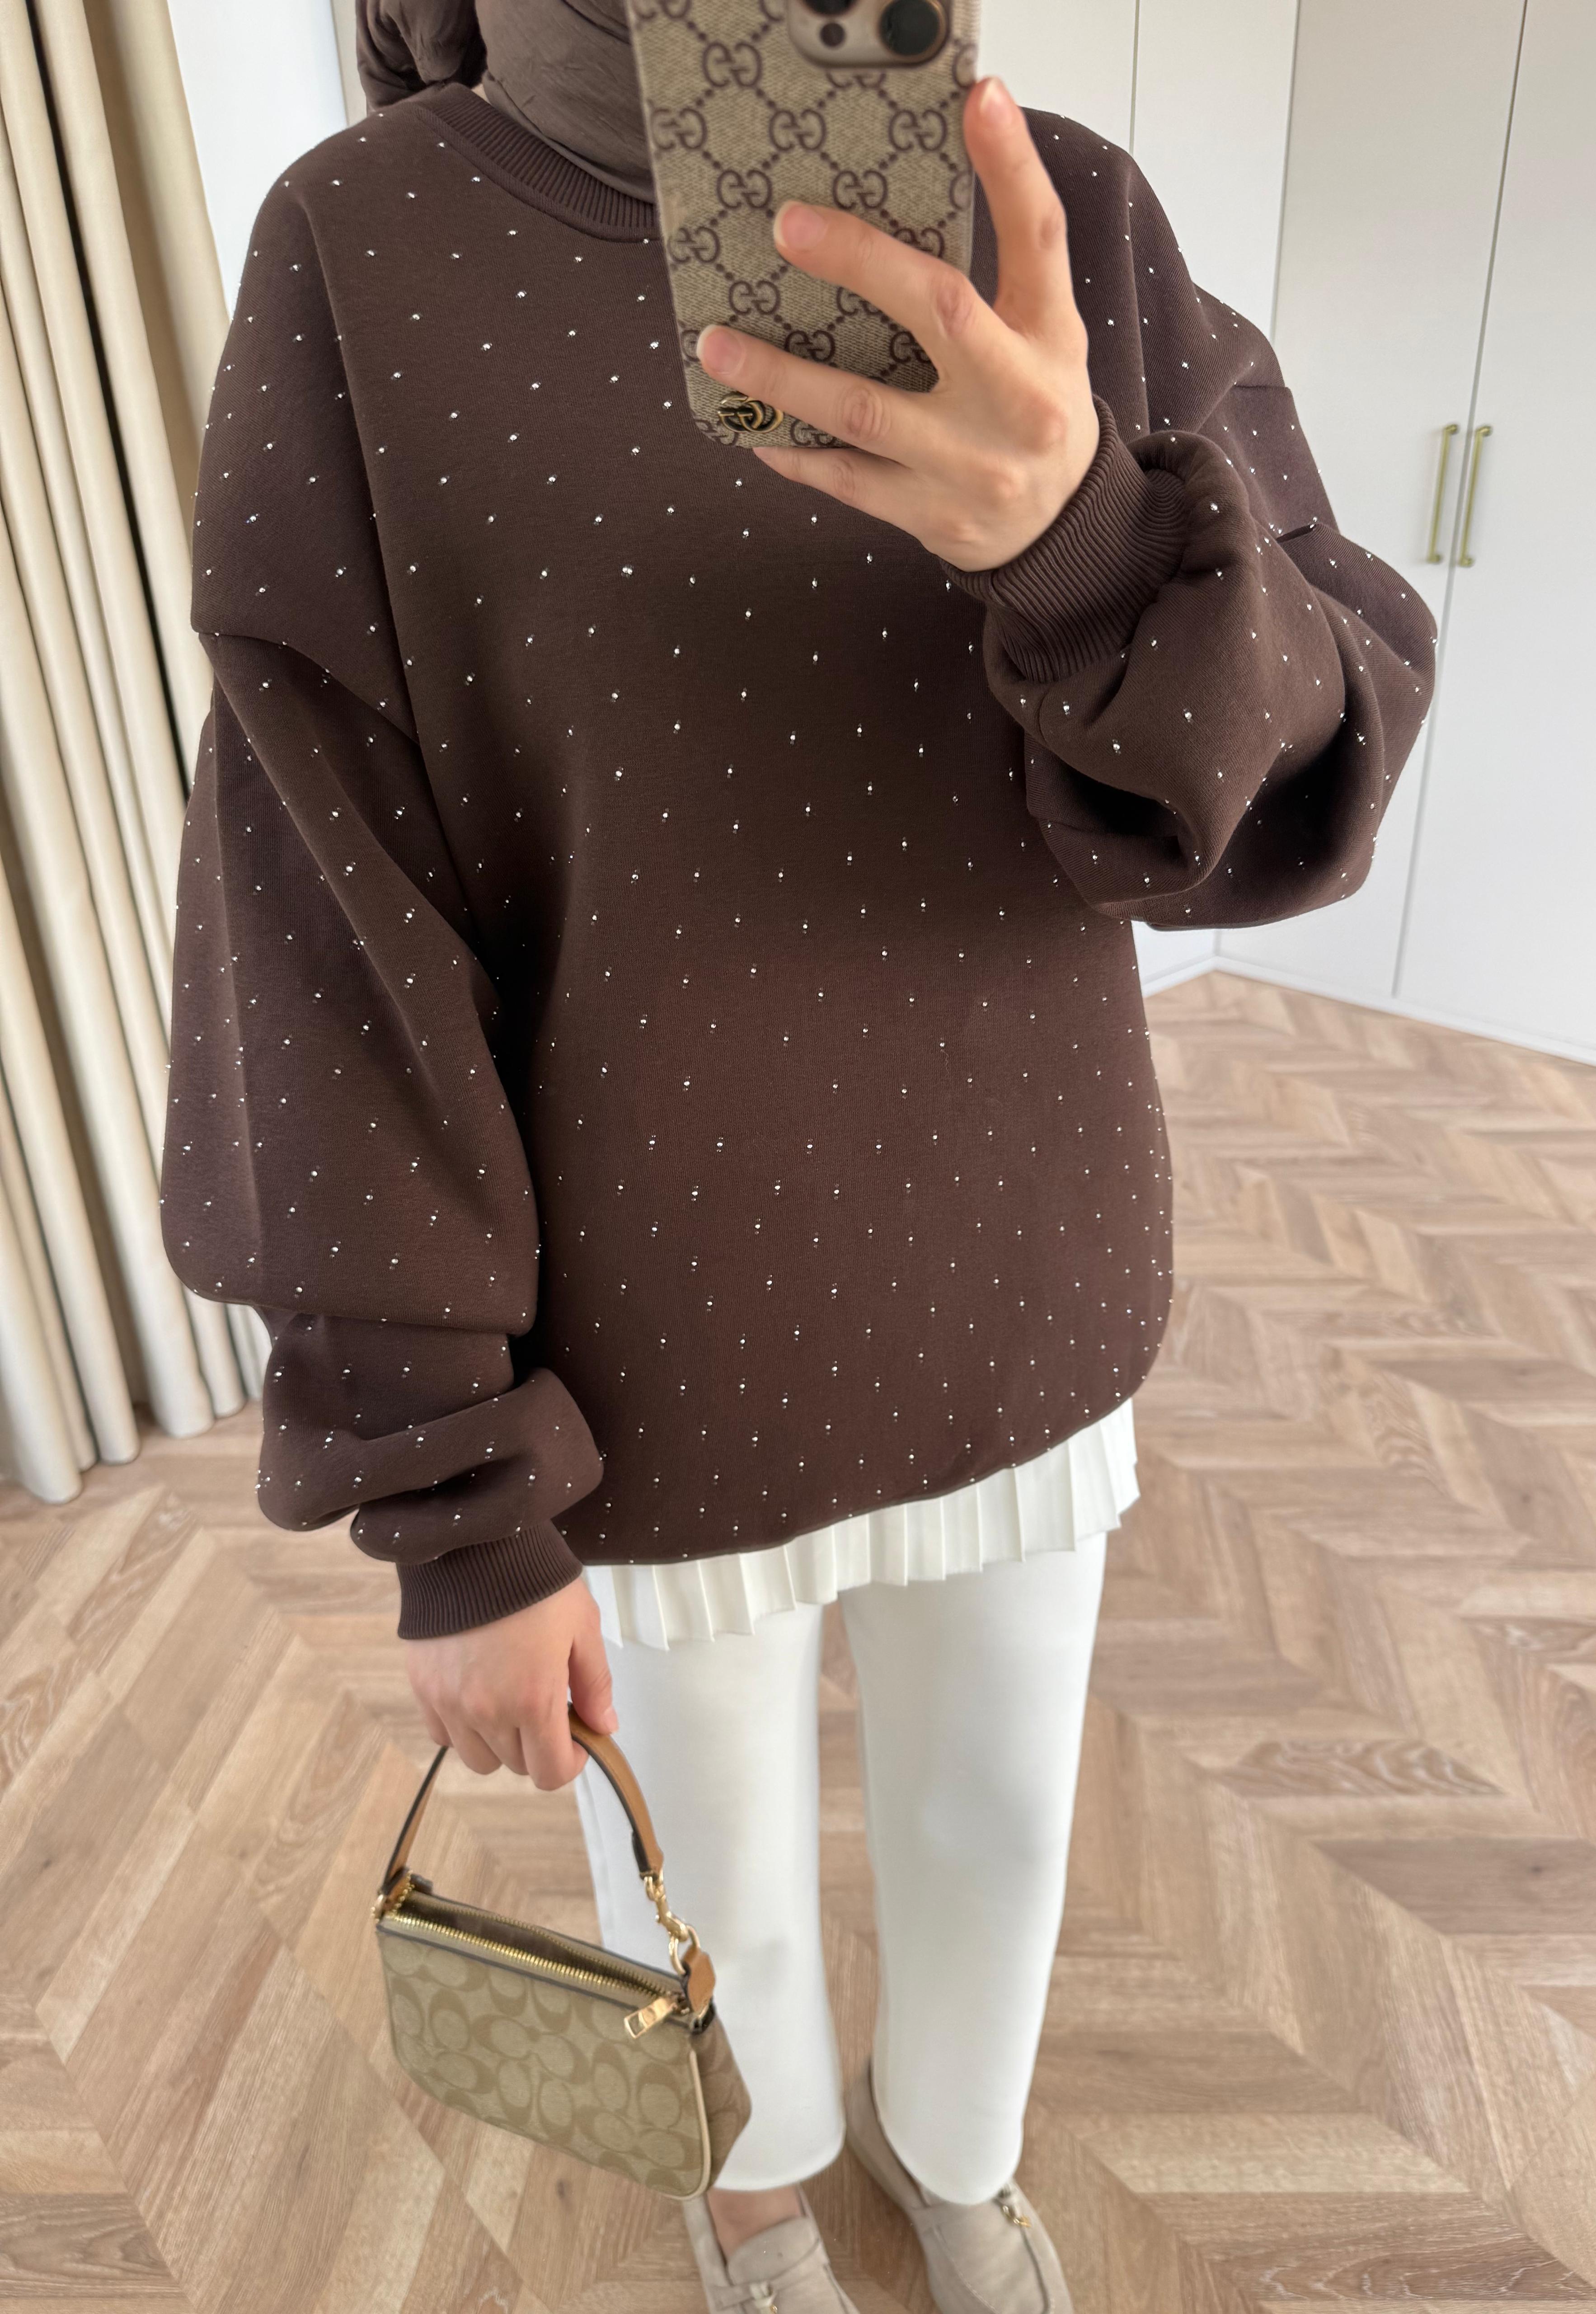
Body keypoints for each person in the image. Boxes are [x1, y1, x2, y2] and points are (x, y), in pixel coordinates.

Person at [160, 1, 1436, 2305]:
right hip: (644, 1356)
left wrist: (1093, 546)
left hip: (1022, 1281)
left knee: (1001, 1816)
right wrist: (452, 1502)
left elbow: (1332, 727)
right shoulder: (364, 253)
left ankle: (960, 2152)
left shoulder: (1060, 207)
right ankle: (750, 2195)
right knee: (705, 1859)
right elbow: (327, 909)